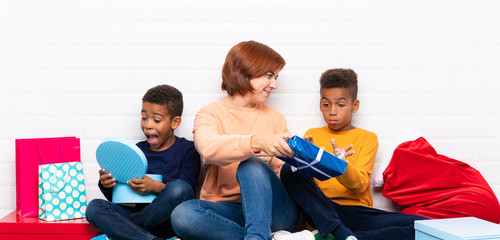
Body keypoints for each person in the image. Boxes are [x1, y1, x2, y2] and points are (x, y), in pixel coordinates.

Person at [170, 40, 299, 240]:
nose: (274, 85)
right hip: (227, 210)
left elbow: (283, 173)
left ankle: (257, 235)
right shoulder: (210, 114)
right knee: (182, 214)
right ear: (246, 71)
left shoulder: (275, 117)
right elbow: (208, 149)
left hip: (273, 211)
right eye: (269, 75)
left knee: (251, 165)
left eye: (276, 77)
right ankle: (260, 237)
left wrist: (302, 159)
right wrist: (256, 142)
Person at [280, 68, 429, 240]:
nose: (332, 111)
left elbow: (360, 184)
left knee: (421, 225)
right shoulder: (312, 133)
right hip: (324, 210)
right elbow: (307, 189)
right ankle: (338, 232)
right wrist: (306, 161)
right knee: (289, 170)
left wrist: (340, 165)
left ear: (355, 105)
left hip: (357, 212)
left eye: (341, 104)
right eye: (326, 104)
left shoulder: (367, 138)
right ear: (320, 104)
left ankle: (339, 237)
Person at [86, 84, 201, 240]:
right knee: (94, 207)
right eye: (144, 117)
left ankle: (127, 229)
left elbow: (186, 192)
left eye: (156, 120)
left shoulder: (187, 150)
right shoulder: (136, 152)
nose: (147, 125)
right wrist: (107, 184)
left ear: (174, 123)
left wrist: (156, 187)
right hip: (138, 214)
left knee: (179, 187)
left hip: (169, 220)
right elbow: (119, 196)